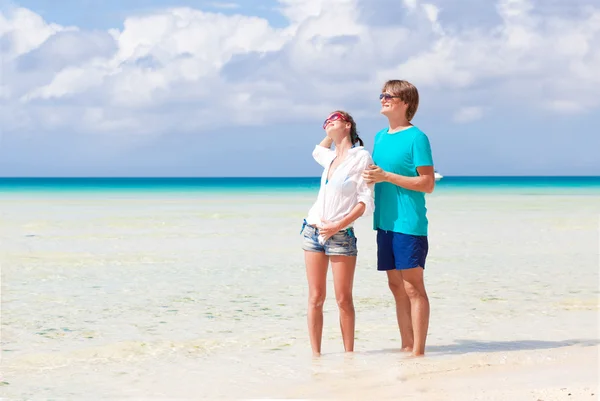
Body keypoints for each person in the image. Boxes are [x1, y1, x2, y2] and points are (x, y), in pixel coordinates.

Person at [362, 80, 435, 357]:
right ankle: (406, 346)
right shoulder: (380, 137)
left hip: (409, 223)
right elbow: (378, 176)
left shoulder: (417, 137)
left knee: (412, 286)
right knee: (395, 286)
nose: (383, 99)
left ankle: (418, 352)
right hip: (384, 223)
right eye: (381, 95)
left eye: (389, 96)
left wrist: (386, 176)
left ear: (405, 102)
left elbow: (427, 183)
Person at [301, 110, 374, 357]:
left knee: (343, 299)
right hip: (312, 231)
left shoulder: (361, 157)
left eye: (335, 118)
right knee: (315, 297)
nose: (329, 121)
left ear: (348, 124)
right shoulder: (330, 157)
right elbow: (316, 151)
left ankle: (349, 357)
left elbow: (365, 202)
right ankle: (316, 358)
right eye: (326, 121)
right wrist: (330, 135)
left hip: (341, 235)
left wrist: (337, 225)